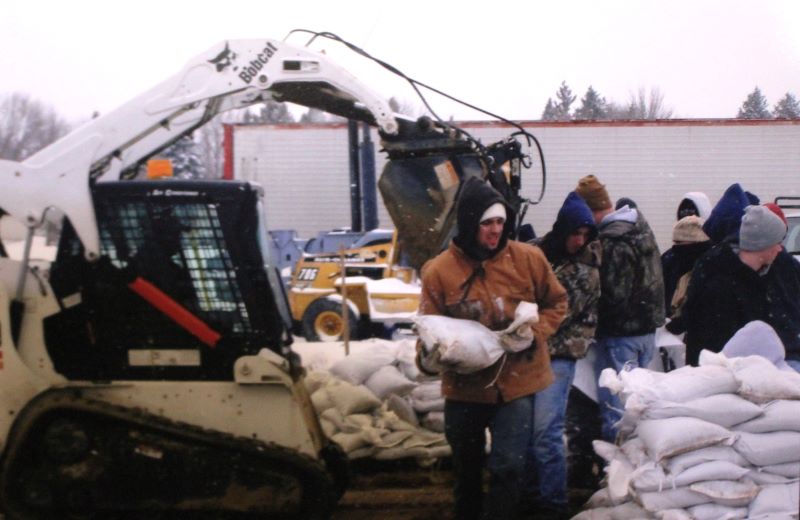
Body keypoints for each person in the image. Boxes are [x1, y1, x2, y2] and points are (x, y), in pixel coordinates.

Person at [416, 176, 568, 520]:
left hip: (518, 383)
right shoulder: (439, 272)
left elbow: (557, 302)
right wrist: (429, 356)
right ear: (470, 224)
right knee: (467, 472)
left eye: (500, 222)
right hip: (464, 390)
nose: (495, 230)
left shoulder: (528, 260)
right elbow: (428, 325)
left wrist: (536, 332)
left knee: (508, 468)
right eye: (487, 223)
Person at [575, 175, 665, 442]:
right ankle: (641, 461)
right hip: (647, 333)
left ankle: (617, 469)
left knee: (617, 408)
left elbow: (611, 295)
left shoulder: (611, 241)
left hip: (620, 337)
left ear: (590, 210)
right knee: (640, 405)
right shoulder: (639, 228)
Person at [527, 192, 601, 518]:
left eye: (585, 235)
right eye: (575, 233)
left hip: (558, 355)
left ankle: (554, 504)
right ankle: (529, 495)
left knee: (546, 431)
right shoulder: (539, 253)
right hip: (529, 352)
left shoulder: (586, 271)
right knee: (528, 431)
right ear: (562, 230)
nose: (579, 240)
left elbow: (558, 313)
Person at [673, 205, 789, 366]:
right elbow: (715, 346)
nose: (780, 248)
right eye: (777, 242)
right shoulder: (721, 285)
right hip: (720, 378)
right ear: (763, 245)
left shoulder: (752, 277)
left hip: (740, 374)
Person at [660, 216, 711, 317]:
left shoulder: (670, 259)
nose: (676, 246)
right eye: (675, 242)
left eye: (679, 242)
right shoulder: (669, 259)